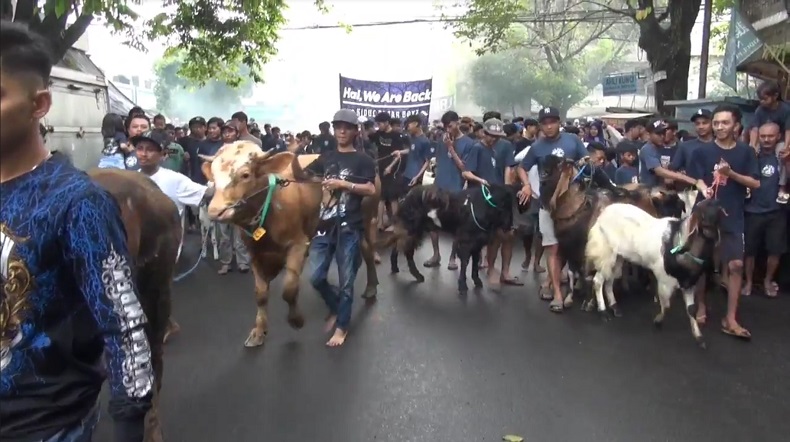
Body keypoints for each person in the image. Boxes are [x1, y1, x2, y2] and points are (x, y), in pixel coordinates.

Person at [0, 20, 153, 441]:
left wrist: (129, 421)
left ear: (39, 104)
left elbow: (123, 323)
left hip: (45, 424)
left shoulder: (78, 204)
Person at [687, 104, 760, 340]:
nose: (719, 127)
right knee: (700, 264)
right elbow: (696, 178)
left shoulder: (746, 152)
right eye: (716, 122)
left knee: (736, 265)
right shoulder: (701, 151)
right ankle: (700, 305)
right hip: (705, 215)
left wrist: (731, 174)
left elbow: (755, 183)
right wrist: (703, 188)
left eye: (724, 123)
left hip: (733, 215)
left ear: (736, 125)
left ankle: (730, 318)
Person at [133, 128, 213, 342]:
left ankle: (162, 325)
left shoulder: (175, 180)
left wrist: (223, 182)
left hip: (165, 245)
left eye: (150, 150)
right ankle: (164, 322)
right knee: (143, 287)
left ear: (163, 155)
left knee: (157, 286)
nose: (143, 154)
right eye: (140, 148)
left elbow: (205, 193)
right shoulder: (130, 179)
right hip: (137, 243)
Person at [305, 109, 377, 347]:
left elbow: (370, 190)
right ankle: (337, 306)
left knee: (346, 281)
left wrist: (343, 184)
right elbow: (305, 175)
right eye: (338, 127)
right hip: (324, 226)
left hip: (350, 227)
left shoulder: (364, 160)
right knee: (315, 278)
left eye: (347, 127)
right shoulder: (326, 157)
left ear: (356, 131)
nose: (342, 131)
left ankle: (342, 327)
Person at [517, 106, 590, 313]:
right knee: (553, 249)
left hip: (575, 207)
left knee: (577, 247)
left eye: (553, 122)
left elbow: (587, 161)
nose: (549, 126)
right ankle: (558, 294)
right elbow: (521, 167)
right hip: (547, 207)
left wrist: (580, 167)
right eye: (545, 123)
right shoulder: (537, 146)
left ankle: (571, 285)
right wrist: (527, 185)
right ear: (540, 126)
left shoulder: (573, 141)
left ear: (559, 122)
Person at [424, 110, 475, 269]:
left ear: (457, 123)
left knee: (455, 225)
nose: (448, 129)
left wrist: (451, 148)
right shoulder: (441, 140)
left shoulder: (468, 143)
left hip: (455, 188)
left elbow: (464, 168)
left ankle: (453, 257)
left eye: (450, 126)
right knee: (433, 221)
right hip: (439, 186)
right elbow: (437, 161)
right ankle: (436, 254)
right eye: (445, 127)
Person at [743, 122, 786, 298]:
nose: (767, 140)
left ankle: (768, 280)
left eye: (770, 136)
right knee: (750, 250)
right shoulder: (751, 155)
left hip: (776, 211)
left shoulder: (782, 156)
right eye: (763, 136)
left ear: (779, 137)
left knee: (775, 250)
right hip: (752, 210)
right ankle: (749, 282)